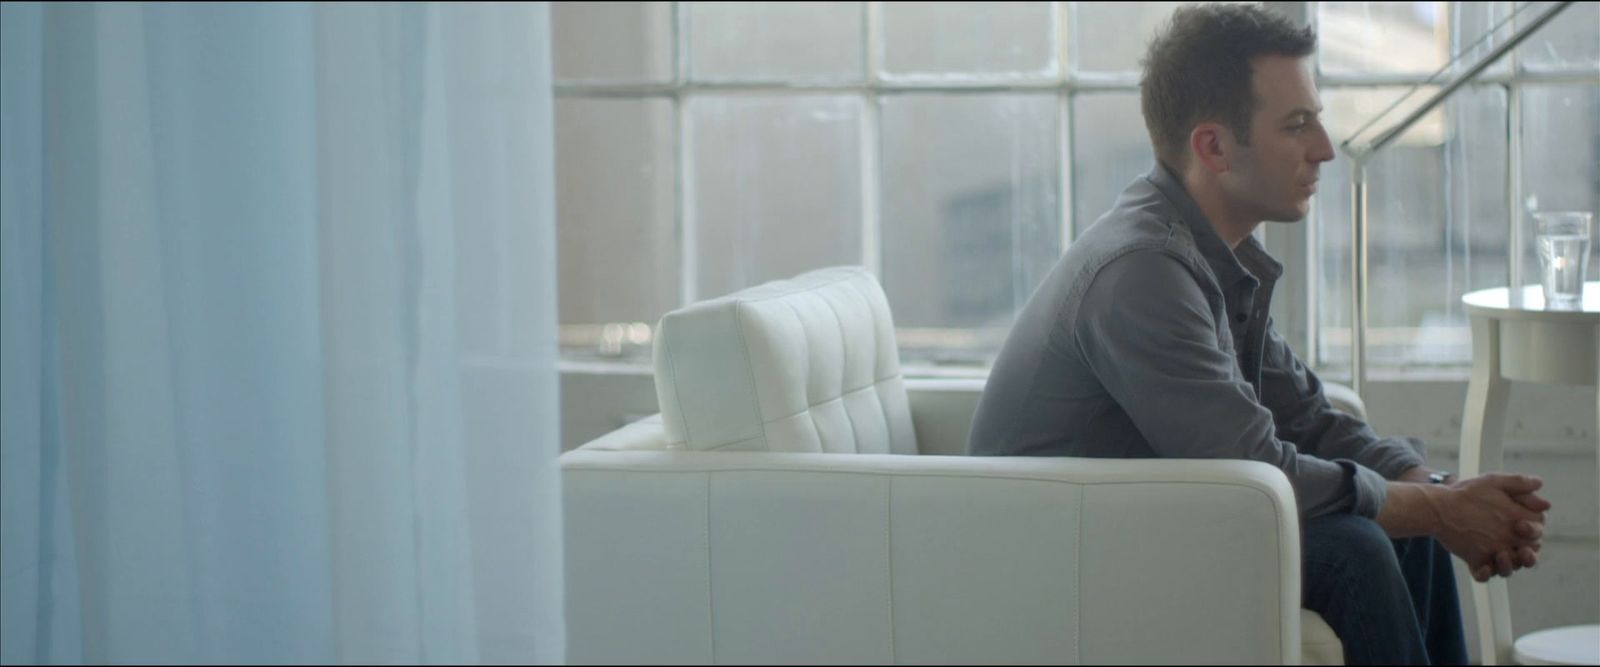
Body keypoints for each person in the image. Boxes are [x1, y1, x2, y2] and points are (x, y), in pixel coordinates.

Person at [966, 4, 1552, 664]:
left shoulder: (1212, 253)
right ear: (1214, 147)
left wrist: (1438, 490)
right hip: (1065, 557)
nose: (1325, 148)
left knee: (1404, 524)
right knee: (1362, 543)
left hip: (1147, 523)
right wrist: (1439, 509)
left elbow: (1306, 416)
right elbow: (1257, 470)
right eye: (1297, 125)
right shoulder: (1143, 273)